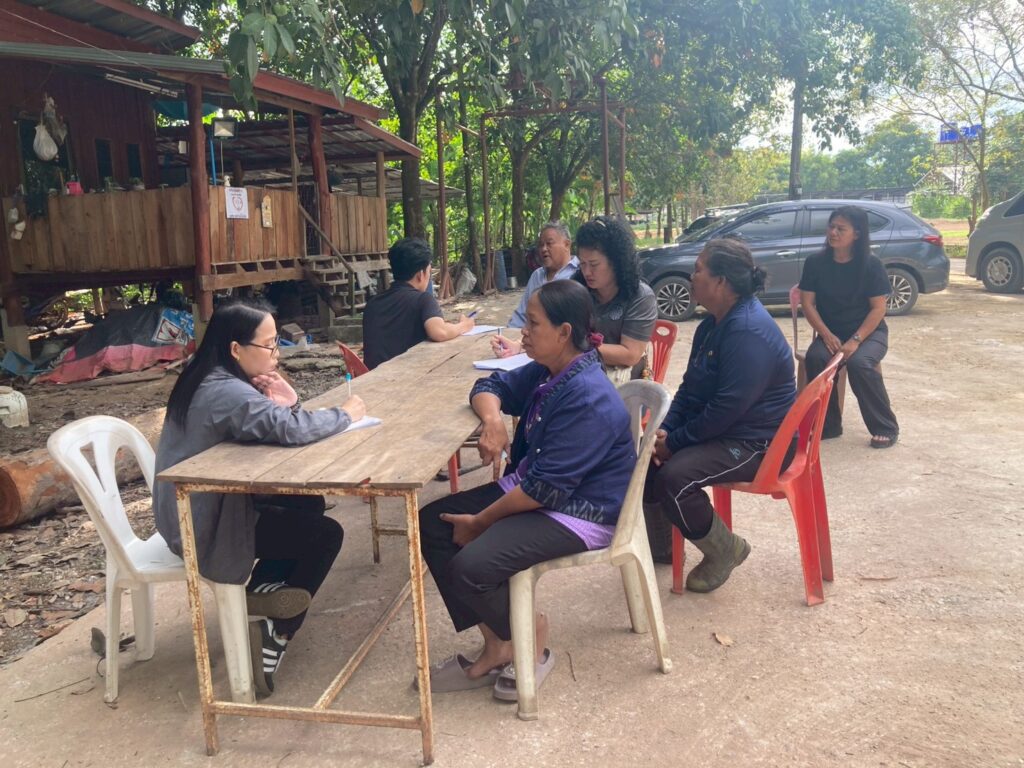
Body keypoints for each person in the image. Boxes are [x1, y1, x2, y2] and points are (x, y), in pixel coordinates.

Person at [419, 280, 636, 698]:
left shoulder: (587, 396)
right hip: (537, 490)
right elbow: (489, 386)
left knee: (471, 566)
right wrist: (494, 421)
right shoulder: (549, 370)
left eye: (533, 323)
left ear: (564, 332)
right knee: (432, 522)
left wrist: (481, 521)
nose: (524, 331)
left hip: (580, 512)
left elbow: (545, 492)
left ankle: (530, 634)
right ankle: (500, 642)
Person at [152, 299, 366, 696]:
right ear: (236, 348)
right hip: (202, 523)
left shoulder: (207, 374)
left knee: (308, 503)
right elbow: (290, 430)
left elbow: (276, 422)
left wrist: (289, 401)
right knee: (326, 535)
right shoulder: (226, 391)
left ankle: (260, 595)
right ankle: (276, 635)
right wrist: (345, 414)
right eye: (269, 345)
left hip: (194, 506)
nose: (276, 353)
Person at [643, 239, 795, 588]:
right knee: (646, 456)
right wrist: (664, 431)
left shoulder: (747, 331)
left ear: (721, 282)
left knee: (675, 478)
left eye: (698, 270)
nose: (691, 276)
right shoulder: (711, 325)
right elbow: (690, 390)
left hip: (759, 443)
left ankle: (726, 549)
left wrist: (675, 443)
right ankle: (664, 549)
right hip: (729, 430)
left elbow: (726, 410)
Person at [495, 216, 657, 382]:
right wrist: (520, 345)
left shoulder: (640, 296)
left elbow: (630, 355)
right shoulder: (577, 287)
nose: (586, 272)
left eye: (594, 264)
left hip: (625, 382)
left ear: (616, 262)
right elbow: (553, 330)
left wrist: (574, 348)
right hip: (579, 371)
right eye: (582, 264)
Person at [799, 205, 899, 448]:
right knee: (816, 358)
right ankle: (829, 425)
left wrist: (855, 340)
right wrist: (825, 335)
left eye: (841, 229)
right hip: (831, 333)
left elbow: (878, 309)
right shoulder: (815, 263)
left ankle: (885, 427)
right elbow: (807, 304)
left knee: (859, 363)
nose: (833, 232)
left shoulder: (871, 265)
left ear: (857, 234)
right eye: (831, 227)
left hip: (869, 333)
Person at [362, 237, 474, 369]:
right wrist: (464, 325)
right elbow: (440, 332)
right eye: (429, 271)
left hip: (373, 375)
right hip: (408, 376)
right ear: (421, 274)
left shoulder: (373, 303)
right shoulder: (423, 300)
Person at [504, 221, 579, 329]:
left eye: (549, 243)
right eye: (541, 245)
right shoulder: (537, 275)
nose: (543, 249)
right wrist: (509, 333)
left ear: (567, 245)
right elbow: (521, 315)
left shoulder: (579, 272)